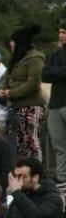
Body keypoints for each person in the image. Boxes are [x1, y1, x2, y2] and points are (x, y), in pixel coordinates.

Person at [0, 25, 45, 160]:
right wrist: (1, 90)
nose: (10, 44)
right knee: (19, 146)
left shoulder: (35, 58)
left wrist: (10, 92)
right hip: (15, 107)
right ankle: (22, 176)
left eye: (12, 41)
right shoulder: (15, 59)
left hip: (31, 107)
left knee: (31, 143)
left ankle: (36, 174)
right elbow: (6, 78)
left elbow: (32, 84)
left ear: (19, 42)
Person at [43, 21, 66, 187]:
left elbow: (52, 73)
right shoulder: (56, 55)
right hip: (55, 105)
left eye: (64, 32)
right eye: (60, 32)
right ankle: (62, 178)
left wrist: (55, 72)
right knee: (59, 146)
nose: (61, 36)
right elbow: (44, 74)